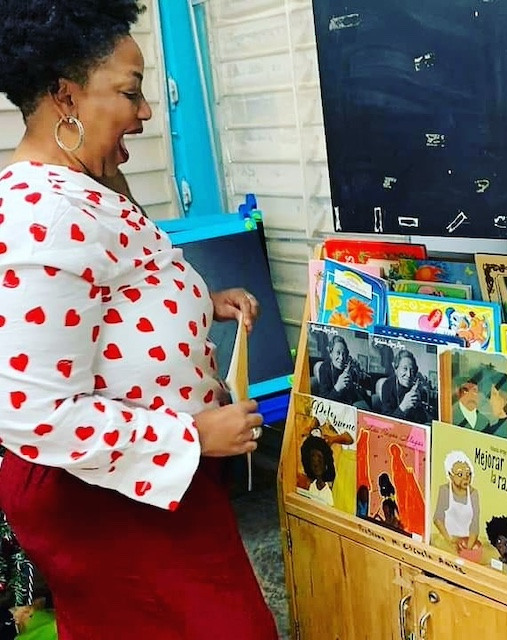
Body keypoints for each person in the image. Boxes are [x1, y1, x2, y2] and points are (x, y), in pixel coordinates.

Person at [0, 3, 277, 638]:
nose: (147, 112)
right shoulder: (40, 216)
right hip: (106, 497)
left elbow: (108, 305)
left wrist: (200, 303)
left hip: (145, 483)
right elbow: (36, 414)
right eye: (130, 92)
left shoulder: (86, 188)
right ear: (64, 96)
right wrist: (193, 438)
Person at [433, 451, 481, 557]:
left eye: (468, 474)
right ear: (450, 475)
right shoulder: (444, 490)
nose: (466, 477)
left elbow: (475, 523)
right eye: (460, 474)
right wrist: (450, 540)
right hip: (447, 538)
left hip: (467, 542)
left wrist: (467, 548)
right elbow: (437, 518)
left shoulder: (473, 493)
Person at [380, 349, 434, 424]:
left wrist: (419, 406)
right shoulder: (387, 385)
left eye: (412, 370)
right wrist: (403, 407)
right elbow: (386, 423)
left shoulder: (417, 387)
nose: (409, 374)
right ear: (396, 369)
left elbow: (423, 420)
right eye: (405, 369)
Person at [317, 334, 371, 408]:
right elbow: (323, 403)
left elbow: (363, 386)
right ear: (331, 353)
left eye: (344, 353)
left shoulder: (348, 366)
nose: (342, 358)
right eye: (338, 353)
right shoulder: (324, 368)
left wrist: (358, 373)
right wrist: (337, 387)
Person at [300, 433, 336, 506]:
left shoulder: (328, 494)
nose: (316, 464)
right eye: (312, 458)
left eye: (320, 458)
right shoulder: (312, 487)